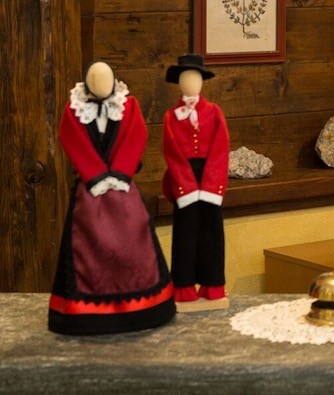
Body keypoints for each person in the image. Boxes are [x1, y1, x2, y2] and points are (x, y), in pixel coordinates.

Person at [49, 61, 175, 334]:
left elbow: (136, 135)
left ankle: (142, 309)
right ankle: (89, 314)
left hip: (123, 189)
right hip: (89, 192)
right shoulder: (74, 109)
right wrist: (95, 175)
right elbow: (71, 138)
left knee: (133, 243)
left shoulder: (129, 106)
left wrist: (120, 173)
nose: (100, 84)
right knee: (87, 246)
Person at [162, 53, 231, 307]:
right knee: (185, 233)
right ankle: (184, 286)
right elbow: (172, 153)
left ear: (202, 82)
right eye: (185, 78)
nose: (190, 83)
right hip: (184, 178)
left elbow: (221, 149)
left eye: (195, 78)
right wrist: (186, 187)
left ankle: (213, 284)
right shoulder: (171, 116)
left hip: (210, 175)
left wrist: (212, 185)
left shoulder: (214, 112)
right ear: (178, 82)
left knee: (212, 232)